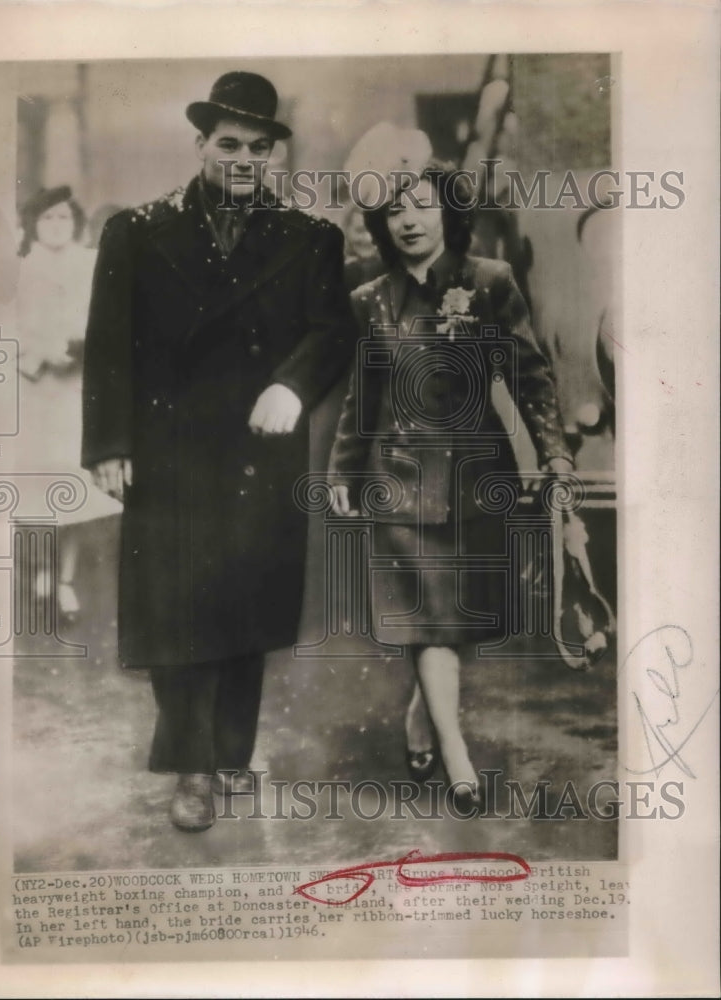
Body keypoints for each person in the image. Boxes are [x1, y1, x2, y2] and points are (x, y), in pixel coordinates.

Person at [81, 72, 356, 832]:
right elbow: (108, 347)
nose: (243, 159)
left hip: (259, 451)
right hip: (168, 453)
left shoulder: (312, 238)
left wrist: (293, 388)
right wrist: (107, 444)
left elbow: (333, 331)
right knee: (175, 618)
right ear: (200, 144)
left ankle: (232, 757)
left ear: (274, 155)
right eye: (228, 144)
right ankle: (192, 770)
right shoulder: (135, 231)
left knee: (244, 613)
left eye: (259, 148)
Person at [328, 140, 573, 805]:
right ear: (381, 225)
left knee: (454, 623)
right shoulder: (372, 298)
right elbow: (363, 395)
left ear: (446, 211)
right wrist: (342, 469)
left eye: (422, 206)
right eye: (395, 212)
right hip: (399, 480)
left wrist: (554, 454)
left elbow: (530, 373)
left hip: (473, 477)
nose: (408, 221)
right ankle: (456, 754)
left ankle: (421, 712)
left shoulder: (489, 279)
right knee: (429, 621)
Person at [15, 185, 121, 620]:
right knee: (37, 486)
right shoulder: (18, 269)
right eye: (47, 219)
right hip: (33, 389)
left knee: (74, 489)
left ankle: (65, 581)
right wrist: (37, 356)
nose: (56, 226)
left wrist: (78, 350)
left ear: (75, 223)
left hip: (76, 390)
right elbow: (5, 324)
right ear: (33, 224)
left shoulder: (92, 265)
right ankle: (41, 569)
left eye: (63, 218)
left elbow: (107, 320)